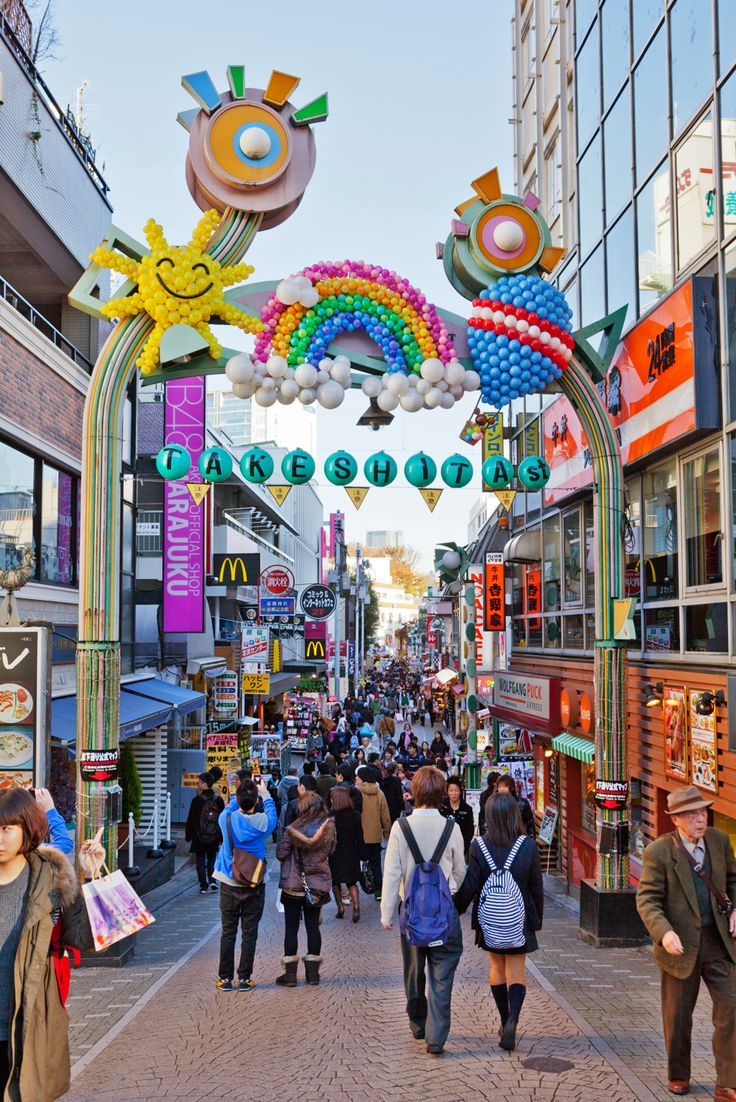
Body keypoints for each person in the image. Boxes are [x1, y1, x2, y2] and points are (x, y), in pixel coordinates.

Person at [636, 786, 736, 1099]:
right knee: (678, 1016)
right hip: (679, 946)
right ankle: (679, 1074)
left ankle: (728, 1082)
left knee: (732, 1008)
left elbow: (733, 880)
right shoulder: (660, 852)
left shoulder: (720, 842)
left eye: (703, 811)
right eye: (691, 814)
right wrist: (664, 933)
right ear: (676, 819)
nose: (700, 819)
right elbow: (648, 900)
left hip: (719, 942)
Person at [0, 786, 83, 1100]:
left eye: (7, 829)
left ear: (28, 829)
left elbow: (87, 937)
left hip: (29, 1021)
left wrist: (92, 876)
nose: (0, 837)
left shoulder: (53, 880)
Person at [381, 766, 466, 1055]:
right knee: (442, 974)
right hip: (444, 912)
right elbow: (460, 871)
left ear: (414, 793)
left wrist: (387, 914)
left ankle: (418, 1024)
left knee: (414, 969)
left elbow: (392, 873)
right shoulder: (451, 828)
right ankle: (436, 1036)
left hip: (412, 912)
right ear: (443, 794)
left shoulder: (400, 827)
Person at [455, 792, 544, 1052]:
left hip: (490, 920)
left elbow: (471, 884)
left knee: (497, 969)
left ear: (489, 816)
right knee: (516, 972)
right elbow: (536, 887)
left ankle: (504, 1021)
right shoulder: (528, 845)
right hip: (519, 919)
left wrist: (455, 908)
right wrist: (536, 920)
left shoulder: (478, 846)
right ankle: (514, 1018)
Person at [212, 779, 276, 991]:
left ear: (238, 799)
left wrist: (235, 794)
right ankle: (245, 978)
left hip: (229, 881)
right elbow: (272, 813)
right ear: (256, 801)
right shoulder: (264, 823)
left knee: (228, 931)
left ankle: (225, 979)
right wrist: (265, 794)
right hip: (255, 882)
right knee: (250, 932)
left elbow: (230, 806)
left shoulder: (226, 819)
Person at [275, 791, 336, 987]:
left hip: (293, 885)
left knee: (291, 928)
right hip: (316, 885)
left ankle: (290, 975)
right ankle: (313, 975)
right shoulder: (329, 828)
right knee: (312, 927)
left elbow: (280, 854)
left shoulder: (291, 830)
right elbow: (331, 850)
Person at [185, 773, 225, 893]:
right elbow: (222, 819)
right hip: (214, 835)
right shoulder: (218, 799)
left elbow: (191, 819)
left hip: (199, 835)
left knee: (200, 860)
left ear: (204, 784)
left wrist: (189, 836)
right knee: (212, 858)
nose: (198, 784)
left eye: (200, 782)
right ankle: (212, 881)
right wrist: (221, 836)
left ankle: (203, 885)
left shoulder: (197, 800)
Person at [329, 785, 364, 922]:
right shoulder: (355, 814)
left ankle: (340, 908)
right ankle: (356, 906)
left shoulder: (330, 816)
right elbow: (360, 836)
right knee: (352, 882)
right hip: (352, 851)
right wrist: (363, 854)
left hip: (335, 852)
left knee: (336, 882)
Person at [357, 765, 391, 901]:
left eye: (358, 777)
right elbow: (385, 814)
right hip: (375, 835)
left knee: (360, 863)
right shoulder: (379, 793)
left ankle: (361, 888)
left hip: (360, 834)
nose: (356, 780)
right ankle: (379, 890)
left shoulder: (357, 792)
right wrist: (386, 830)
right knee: (376, 863)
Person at [441, 776, 475, 859]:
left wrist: (464, 848)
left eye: (456, 790)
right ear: (447, 792)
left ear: (460, 791)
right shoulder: (441, 806)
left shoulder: (467, 809)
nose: (453, 793)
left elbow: (469, 831)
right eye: (451, 791)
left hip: (461, 848)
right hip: (443, 849)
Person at [495, 775, 536, 839]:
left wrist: (531, 841)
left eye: (505, 786)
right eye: (500, 787)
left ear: (512, 788)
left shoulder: (522, 803)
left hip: (518, 839)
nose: (501, 789)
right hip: (499, 840)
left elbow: (530, 825)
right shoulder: (494, 803)